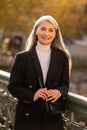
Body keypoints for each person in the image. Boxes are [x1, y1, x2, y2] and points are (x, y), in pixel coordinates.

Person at [8, 15, 72, 130]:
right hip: (27, 117)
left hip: (52, 117)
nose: (46, 33)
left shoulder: (62, 57)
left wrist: (58, 92)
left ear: (55, 34)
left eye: (51, 30)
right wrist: (33, 95)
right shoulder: (22, 57)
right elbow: (13, 87)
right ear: (36, 31)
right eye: (43, 29)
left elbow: (65, 85)